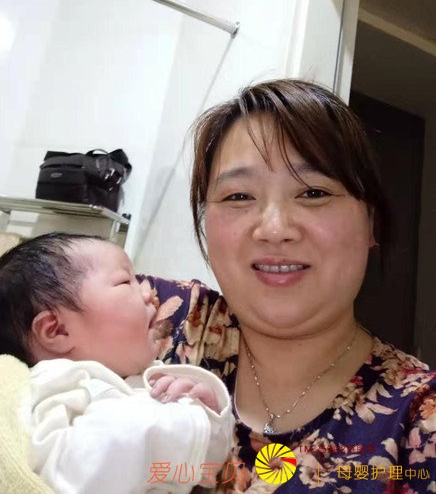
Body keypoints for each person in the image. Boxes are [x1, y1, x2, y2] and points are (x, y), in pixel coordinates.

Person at [136, 79, 436, 492]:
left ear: (371, 223)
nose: (274, 229)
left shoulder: (419, 421)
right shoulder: (149, 316)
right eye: (239, 196)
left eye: (313, 192)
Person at [0, 233, 233, 494]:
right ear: (57, 330)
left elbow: (203, 471)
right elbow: (77, 473)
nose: (149, 293)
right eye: (126, 282)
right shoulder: (51, 387)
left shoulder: (136, 381)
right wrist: (182, 422)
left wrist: (206, 413)